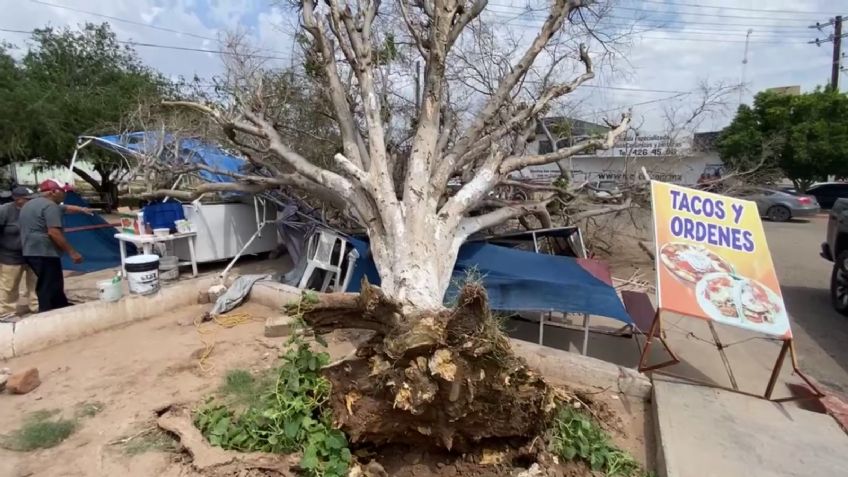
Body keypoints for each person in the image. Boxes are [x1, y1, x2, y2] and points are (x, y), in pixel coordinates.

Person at [19, 179, 92, 313]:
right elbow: (54, 232)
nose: (65, 194)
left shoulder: (31, 204)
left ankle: (61, 307)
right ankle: (47, 313)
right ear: (53, 192)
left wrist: (82, 209)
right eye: (63, 191)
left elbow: (66, 208)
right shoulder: (50, 206)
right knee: (48, 285)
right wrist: (73, 252)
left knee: (54, 282)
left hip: (30, 251)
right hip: (44, 251)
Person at [0, 187, 38, 319]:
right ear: (17, 199)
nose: (31, 201)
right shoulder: (5, 211)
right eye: (28, 199)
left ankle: (36, 307)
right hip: (10, 256)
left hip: (32, 253)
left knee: (36, 282)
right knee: (9, 286)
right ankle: (6, 312)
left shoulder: (33, 210)